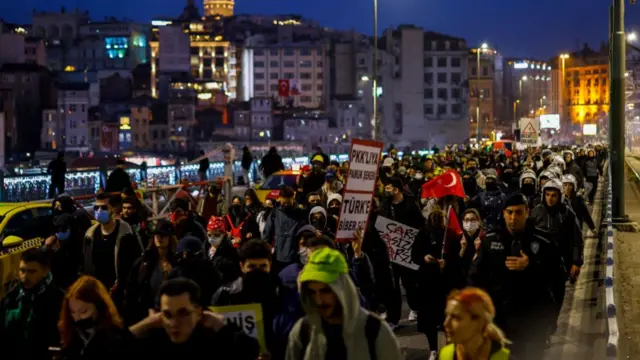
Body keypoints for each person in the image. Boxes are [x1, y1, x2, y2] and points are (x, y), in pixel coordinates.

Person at [285, 247, 403, 360]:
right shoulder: (302, 332)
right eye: (312, 293)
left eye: (326, 291)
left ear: (342, 288)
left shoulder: (376, 332)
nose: (319, 300)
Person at [129, 278, 260, 360]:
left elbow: (249, 350)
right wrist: (144, 325)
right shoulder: (155, 342)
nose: (174, 323)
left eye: (183, 313)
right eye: (168, 315)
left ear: (198, 312)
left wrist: (221, 326)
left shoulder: (211, 342)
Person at [0, 249, 64, 360]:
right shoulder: (10, 298)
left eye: (32, 271)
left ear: (45, 271)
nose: (25, 276)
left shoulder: (58, 300)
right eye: (22, 270)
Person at [82, 193, 144, 305]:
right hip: (97, 295)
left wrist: (123, 287)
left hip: (121, 296)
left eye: (104, 207)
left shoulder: (127, 235)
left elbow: (134, 266)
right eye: (96, 207)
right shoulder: (89, 235)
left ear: (114, 209)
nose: (99, 211)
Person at [57, 275, 132, 359]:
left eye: (83, 311)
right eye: (73, 312)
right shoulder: (69, 332)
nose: (76, 318)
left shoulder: (115, 340)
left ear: (99, 307)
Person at [124, 219, 178, 325]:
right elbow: (131, 289)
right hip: (148, 315)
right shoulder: (144, 262)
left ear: (170, 238)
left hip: (172, 315)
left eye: (163, 235)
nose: (159, 238)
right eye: (157, 235)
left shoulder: (178, 262)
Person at [439, 288, 511, 360]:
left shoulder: (503, 358)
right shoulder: (444, 355)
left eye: (456, 317)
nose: (445, 323)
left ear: (480, 322)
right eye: (447, 315)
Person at [263, 186, 305, 273]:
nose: (286, 205)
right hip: (278, 256)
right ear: (280, 198)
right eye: (284, 202)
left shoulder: (300, 213)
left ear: (293, 197)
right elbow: (267, 233)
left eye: (288, 203)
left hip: (295, 255)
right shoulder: (274, 213)